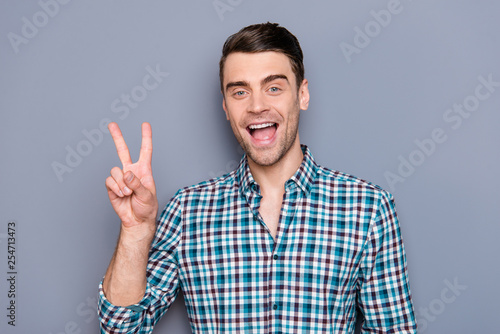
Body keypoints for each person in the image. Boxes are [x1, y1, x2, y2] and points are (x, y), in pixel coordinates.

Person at [98, 22, 417, 333]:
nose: (257, 106)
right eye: (240, 92)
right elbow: (120, 328)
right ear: (225, 107)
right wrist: (136, 231)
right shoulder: (186, 212)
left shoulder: (368, 208)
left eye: (274, 87)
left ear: (302, 95)